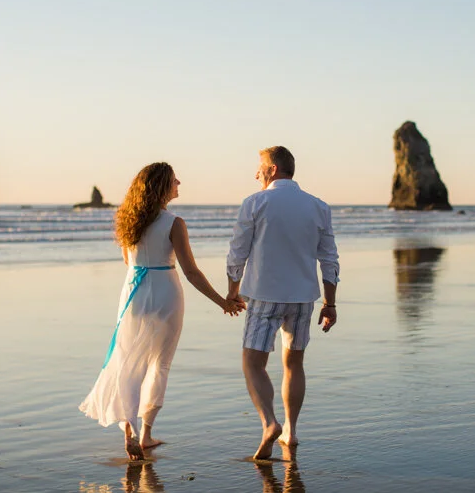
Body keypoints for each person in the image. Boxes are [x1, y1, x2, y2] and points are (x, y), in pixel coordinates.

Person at [80, 162, 245, 461]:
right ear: (162, 186)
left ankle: (128, 427)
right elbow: (191, 272)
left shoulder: (129, 220)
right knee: (160, 363)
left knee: (128, 359)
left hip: (133, 291)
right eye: (174, 180)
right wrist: (222, 301)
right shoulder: (174, 223)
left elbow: (127, 262)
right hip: (166, 292)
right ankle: (145, 435)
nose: (179, 182)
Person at [226, 146, 340, 460]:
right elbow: (328, 259)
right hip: (303, 298)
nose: (256, 173)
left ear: (273, 169)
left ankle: (268, 422)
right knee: (294, 365)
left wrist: (232, 291)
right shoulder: (318, 206)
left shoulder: (255, 203)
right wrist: (330, 304)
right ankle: (290, 430)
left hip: (264, 296)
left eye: (260, 167)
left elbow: (237, 254)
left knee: (253, 364)